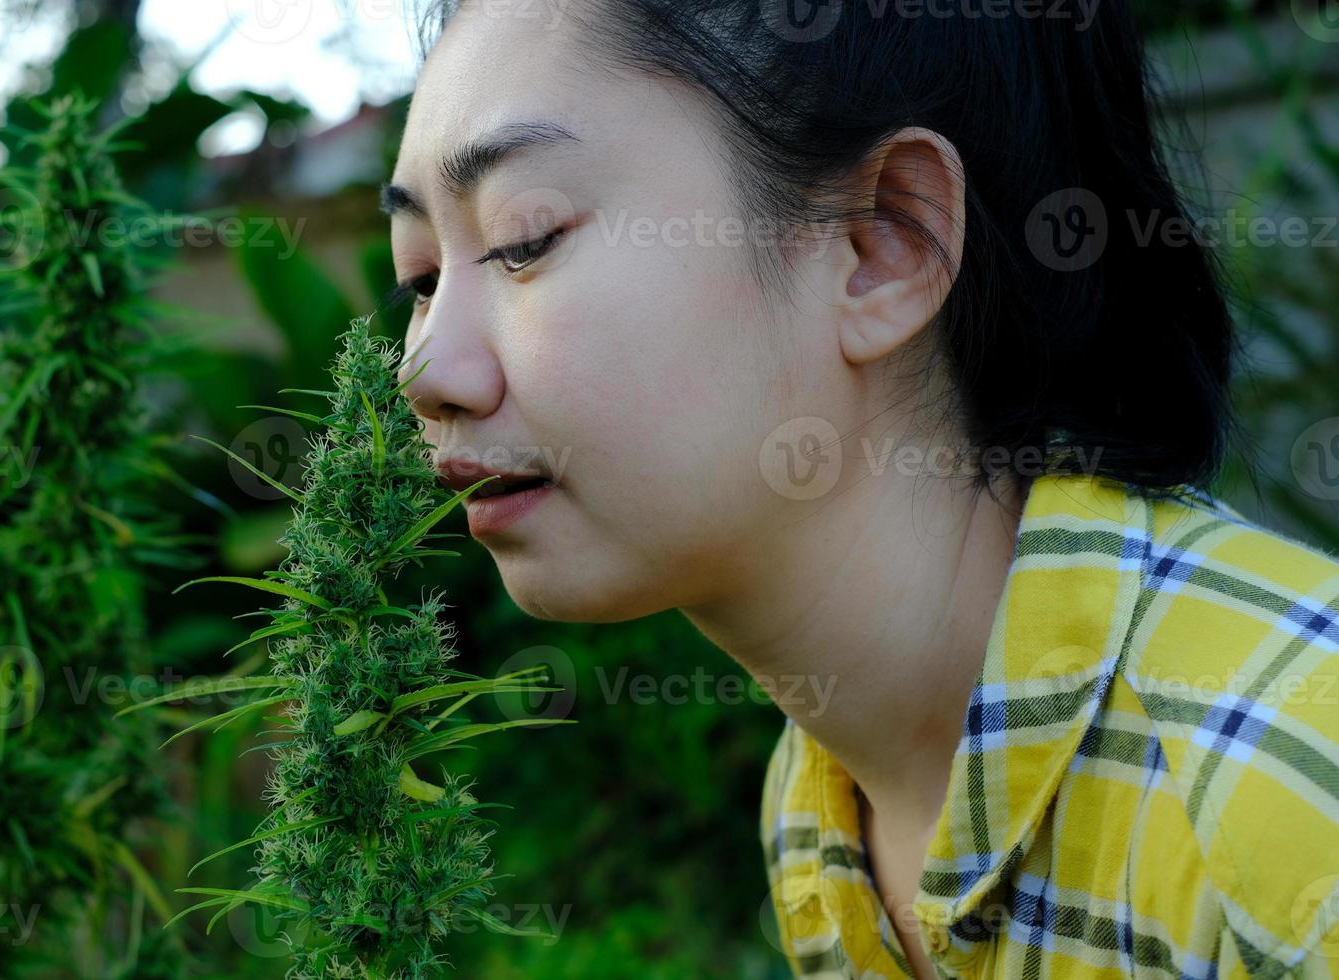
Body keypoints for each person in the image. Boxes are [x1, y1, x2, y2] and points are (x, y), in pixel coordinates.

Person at [379, 1, 1339, 976]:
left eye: (523, 237)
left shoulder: (1297, 788)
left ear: (881, 242)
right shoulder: (818, 796)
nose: (425, 372)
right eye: (419, 275)